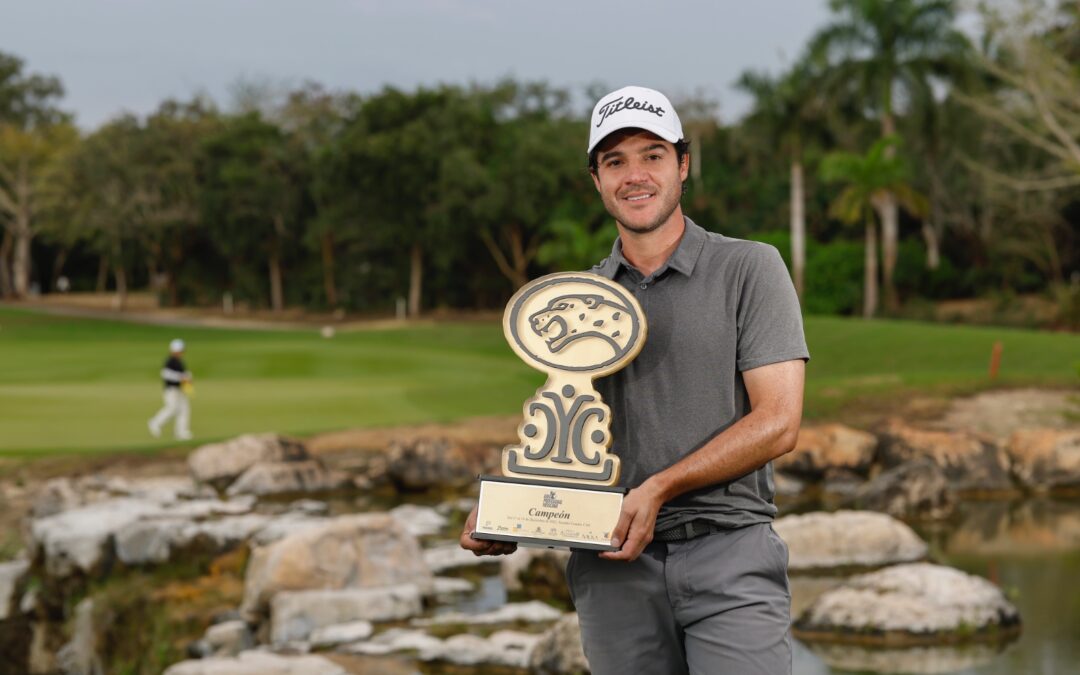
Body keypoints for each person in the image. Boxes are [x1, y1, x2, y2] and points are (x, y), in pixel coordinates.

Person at [460, 85, 808, 674]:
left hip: (728, 550)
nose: (635, 175)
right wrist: (510, 512)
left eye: (652, 155)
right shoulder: (579, 298)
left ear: (683, 165)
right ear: (596, 179)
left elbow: (778, 422)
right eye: (615, 161)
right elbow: (571, 430)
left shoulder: (749, 267)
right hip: (611, 564)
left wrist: (660, 488)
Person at [148, 338, 194, 440]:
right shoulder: (169, 361)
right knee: (172, 408)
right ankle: (155, 422)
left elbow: (184, 374)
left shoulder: (180, 362)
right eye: (180, 351)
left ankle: (181, 432)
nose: (181, 353)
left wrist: (188, 377)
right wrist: (181, 377)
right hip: (171, 390)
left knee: (184, 409)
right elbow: (165, 374)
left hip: (180, 390)